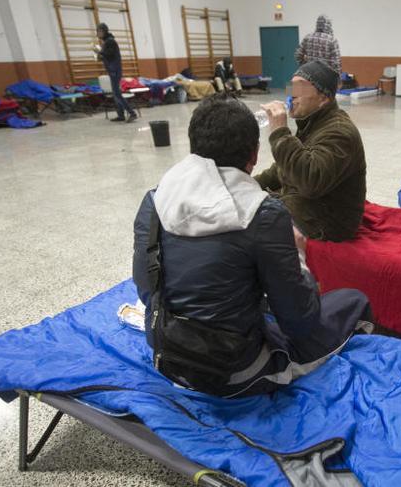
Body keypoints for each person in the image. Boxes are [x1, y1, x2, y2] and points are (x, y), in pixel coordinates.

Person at [132, 93, 372, 398]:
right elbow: (300, 321)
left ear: (193, 147)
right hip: (234, 371)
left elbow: (145, 288)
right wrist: (297, 254)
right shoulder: (264, 215)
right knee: (353, 300)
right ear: (254, 155)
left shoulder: (155, 199)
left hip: (167, 356)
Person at [255, 61, 367, 242]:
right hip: (306, 205)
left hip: (327, 222)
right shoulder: (311, 123)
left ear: (324, 98)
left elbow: (310, 181)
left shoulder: (340, 133)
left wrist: (280, 134)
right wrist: (247, 184)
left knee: (250, 226)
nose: (293, 95)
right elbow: (281, 168)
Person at [94, 23, 137, 123]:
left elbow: (109, 54)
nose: (97, 33)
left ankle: (132, 113)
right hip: (113, 70)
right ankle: (121, 115)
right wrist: (100, 56)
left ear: (103, 31)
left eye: (99, 31)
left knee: (117, 94)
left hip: (115, 71)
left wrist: (99, 52)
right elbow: (108, 56)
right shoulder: (107, 42)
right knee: (115, 94)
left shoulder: (110, 41)